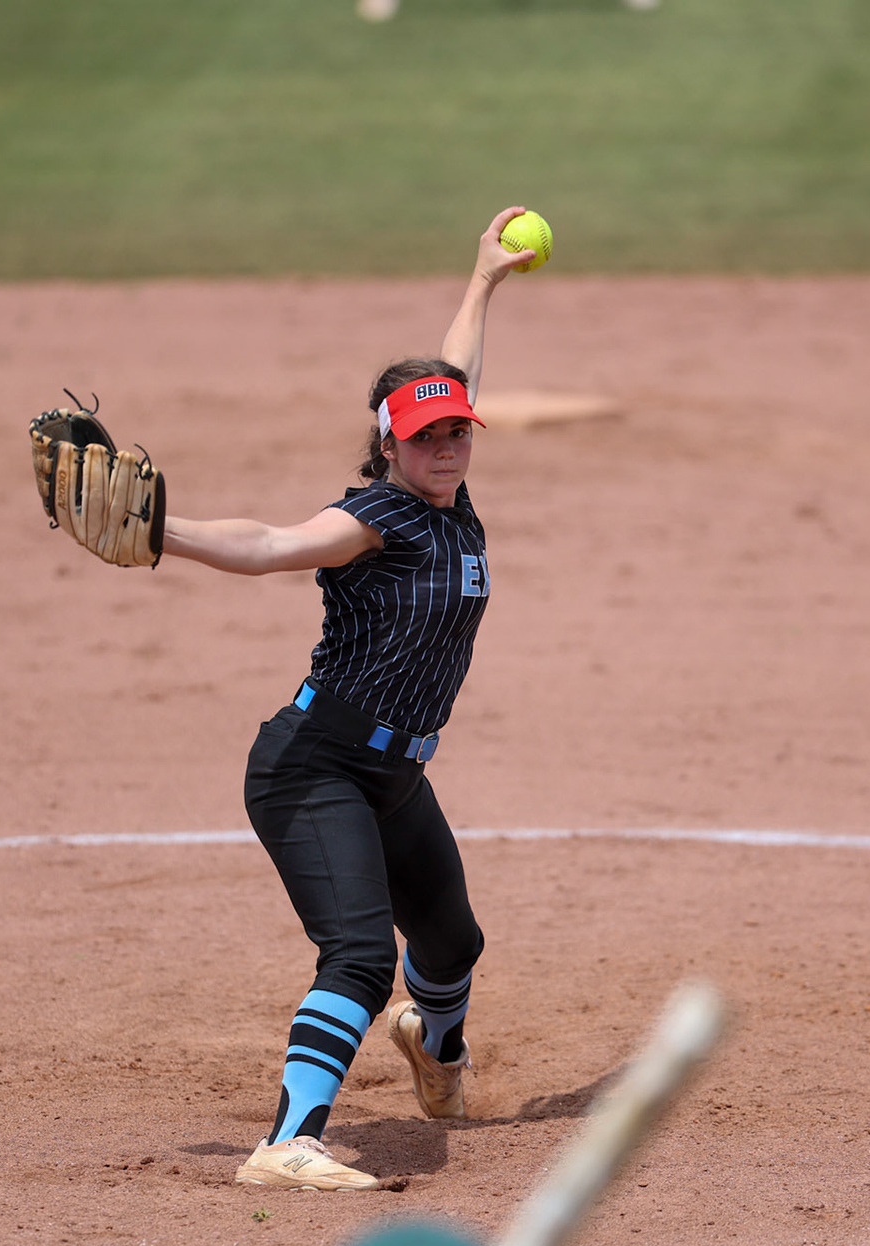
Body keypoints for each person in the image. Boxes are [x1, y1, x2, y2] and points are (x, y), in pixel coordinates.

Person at [162, 207, 538, 1191]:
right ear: (390, 445)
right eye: (426, 435)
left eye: (458, 428)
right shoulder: (379, 513)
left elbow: (455, 373)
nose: (448, 443)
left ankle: (435, 1045)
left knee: (453, 942)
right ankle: (287, 1140)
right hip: (312, 763)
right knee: (364, 950)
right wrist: (162, 530)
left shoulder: (455, 503)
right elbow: (272, 544)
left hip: (393, 773)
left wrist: (483, 279)